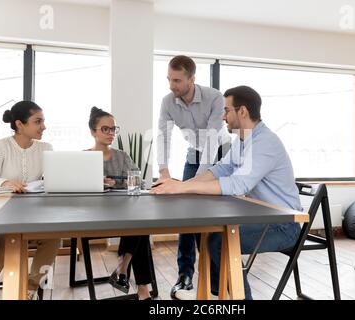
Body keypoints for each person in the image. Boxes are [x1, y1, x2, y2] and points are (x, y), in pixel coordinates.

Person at [151, 86, 302, 300]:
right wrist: (181, 184)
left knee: (219, 241)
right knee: (210, 234)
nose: (223, 116)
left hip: (283, 225)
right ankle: (215, 295)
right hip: (262, 218)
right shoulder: (242, 140)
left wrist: (183, 187)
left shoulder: (265, 142)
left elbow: (238, 184)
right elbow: (221, 169)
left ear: (242, 112)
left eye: (227, 110)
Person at [157, 55, 229, 298]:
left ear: (192, 79)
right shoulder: (168, 101)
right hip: (193, 155)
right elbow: (163, 136)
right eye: (169, 79)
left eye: (176, 80)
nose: (171, 85)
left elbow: (211, 140)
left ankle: (217, 277)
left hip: (219, 155)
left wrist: (195, 183)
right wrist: (164, 171)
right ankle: (185, 275)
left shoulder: (214, 97)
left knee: (214, 216)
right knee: (186, 217)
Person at [0, 101, 60, 300]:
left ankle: (29, 290)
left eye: (43, 121)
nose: (44, 127)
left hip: (35, 216)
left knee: (53, 237)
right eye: (38, 121)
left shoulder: (46, 148)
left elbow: (56, 179)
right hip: (3, 218)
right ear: (20, 125)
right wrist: (5, 182)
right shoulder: (1, 147)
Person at [87, 107, 153, 300]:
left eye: (114, 129)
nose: (111, 133)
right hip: (96, 213)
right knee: (139, 224)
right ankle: (127, 274)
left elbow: (138, 181)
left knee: (140, 220)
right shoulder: (84, 157)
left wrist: (117, 182)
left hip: (123, 211)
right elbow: (76, 186)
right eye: (105, 129)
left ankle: (128, 274)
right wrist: (96, 182)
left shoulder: (122, 156)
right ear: (93, 131)